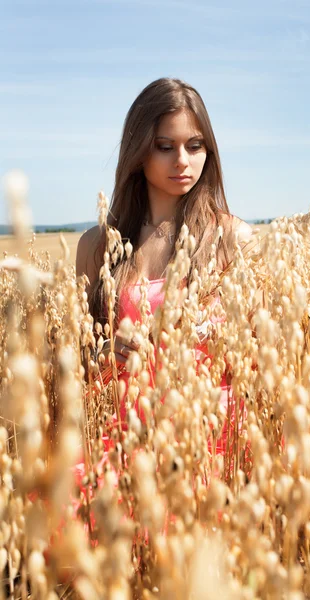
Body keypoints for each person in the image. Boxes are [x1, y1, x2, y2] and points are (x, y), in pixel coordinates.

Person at [76, 77, 253, 454]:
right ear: (139, 152)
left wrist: (213, 340)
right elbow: (78, 369)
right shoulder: (97, 246)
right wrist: (106, 354)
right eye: (164, 147)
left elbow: (264, 356)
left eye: (194, 145)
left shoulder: (232, 237)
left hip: (218, 445)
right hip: (133, 442)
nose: (182, 161)